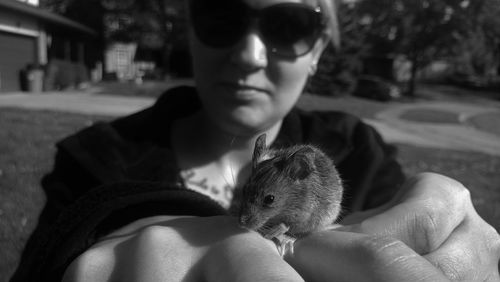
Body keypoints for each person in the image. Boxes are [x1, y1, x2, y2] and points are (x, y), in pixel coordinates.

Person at [11, 0, 500, 281]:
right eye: (221, 15)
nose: (249, 54)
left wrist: (448, 248)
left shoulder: (363, 156)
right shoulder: (91, 161)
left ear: (319, 50)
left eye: (288, 26)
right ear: (191, 31)